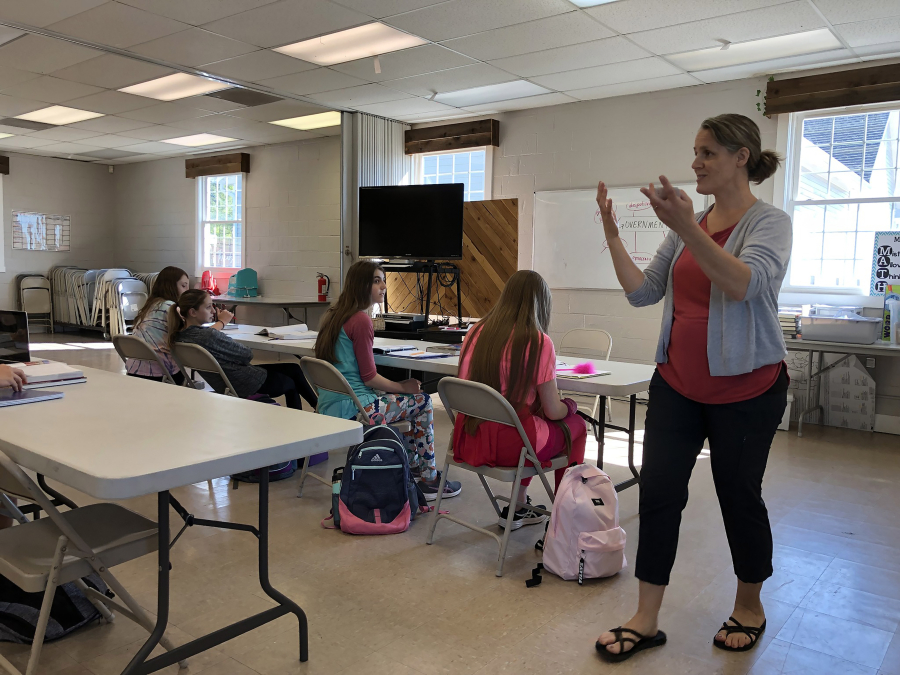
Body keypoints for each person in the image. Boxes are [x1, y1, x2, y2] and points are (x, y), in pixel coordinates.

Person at [594, 113, 791, 662]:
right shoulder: (690, 227)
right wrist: (613, 236)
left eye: (706, 152)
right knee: (659, 495)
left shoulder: (769, 222)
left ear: (740, 158)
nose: (695, 163)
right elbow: (642, 293)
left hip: (748, 392)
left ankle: (749, 605)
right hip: (677, 385)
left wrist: (685, 228)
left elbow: (745, 284)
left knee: (738, 497)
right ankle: (646, 617)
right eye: (696, 152)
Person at [314, 260, 460, 501]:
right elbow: (369, 377)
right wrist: (404, 387)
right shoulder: (361, 321)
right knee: (422, 401)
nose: (383, 286)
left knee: (407, 400)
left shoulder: (333, 315)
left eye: (383, 280)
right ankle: (428, 479)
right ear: (361, 285)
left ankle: (413, 468)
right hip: (359, 408)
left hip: (331, 405)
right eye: (376, 280)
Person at [453, 270, 587, 529]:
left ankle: (517, 506)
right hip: (511, 446)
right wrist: (571, 405)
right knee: (578, 427)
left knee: (527, 417)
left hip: (469, 438)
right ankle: (565, 516)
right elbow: (553, 411)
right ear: (542, 304)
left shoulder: (474, 332)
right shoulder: (538, 341)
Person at [170, 290, 317, 410]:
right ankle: (306, 416)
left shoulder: (179, 336)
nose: (213, 310)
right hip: (245, 382)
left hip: (224, 382)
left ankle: (317, 408)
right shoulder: (208, 335)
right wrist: (223, 324)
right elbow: (247, 354)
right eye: (208, 307)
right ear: (193, 312)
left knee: (293, 368)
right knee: (290, 383)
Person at [126, 266, 190, 385]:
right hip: (161, 373)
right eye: (183, 286)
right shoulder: (171, 308)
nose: (187, 291)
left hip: (134, 370)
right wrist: (221, 323)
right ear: (171, 286)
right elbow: (191, 337)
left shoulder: (150, 305)